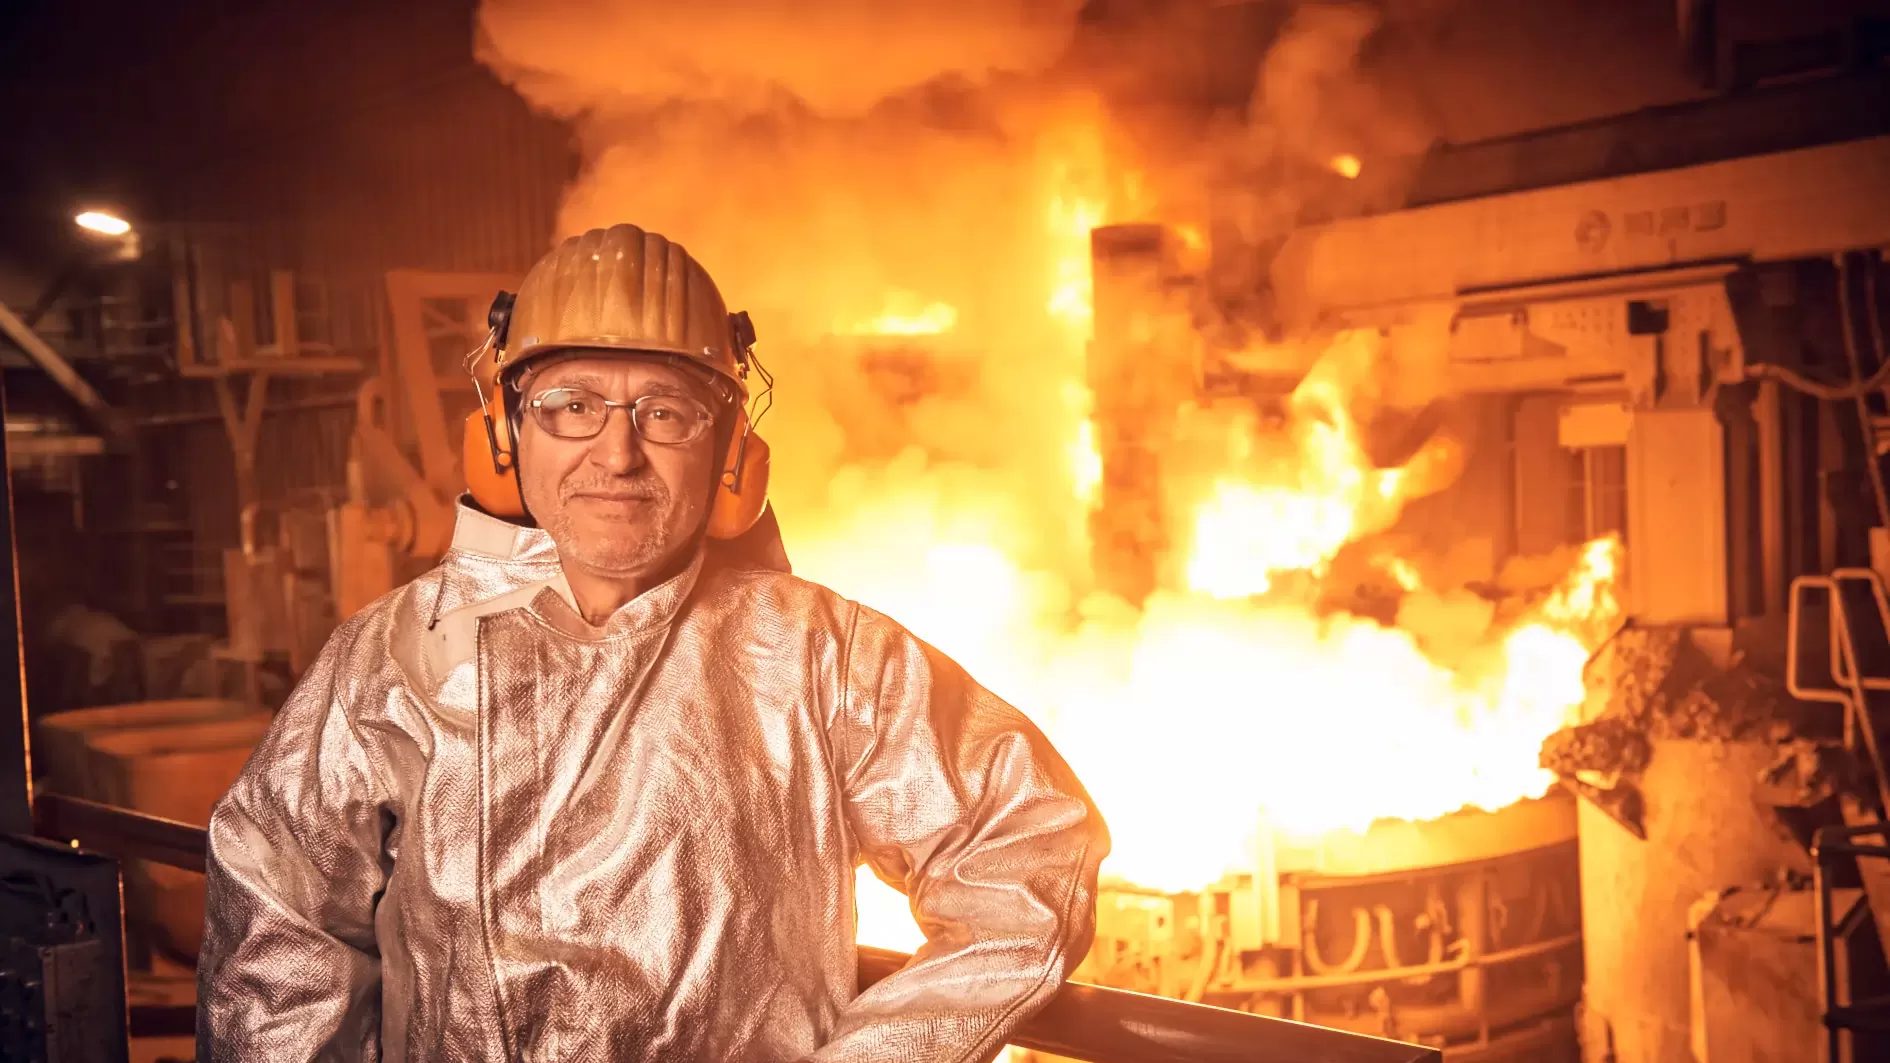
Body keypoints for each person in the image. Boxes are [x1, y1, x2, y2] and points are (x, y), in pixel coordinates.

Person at [196, 224, 1108, 1062]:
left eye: (665, 412)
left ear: (730, 452)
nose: (618, 453)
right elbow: (278, 932)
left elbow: (1026, 842)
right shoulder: (400, 655)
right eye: (570, 405)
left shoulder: (825, 658)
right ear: (504, 438)